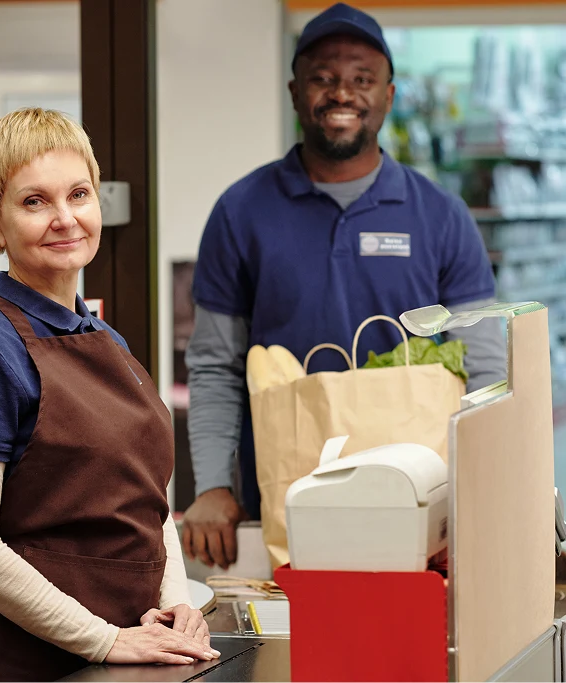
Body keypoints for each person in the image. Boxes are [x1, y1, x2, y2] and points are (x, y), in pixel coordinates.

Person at [182, 3, 507, 570]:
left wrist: (481, 492)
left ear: (388, 95)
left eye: (362, 79)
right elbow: (215, 363)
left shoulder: (440, 216)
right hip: (287, 496)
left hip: (420, 502)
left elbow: (485, 370)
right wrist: (212, 485)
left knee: (404, 650)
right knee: (298, 650)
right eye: (324, 78)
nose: (342, 94)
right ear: (294, 90)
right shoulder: (241, 212)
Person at [0, 108, 220, 681]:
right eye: (34, 202)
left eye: (78, 194)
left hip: (127, 652)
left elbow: (147, 498)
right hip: (24, 667)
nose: (65, 219)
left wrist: (179, 605)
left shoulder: (105, 339)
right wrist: (105, 640)